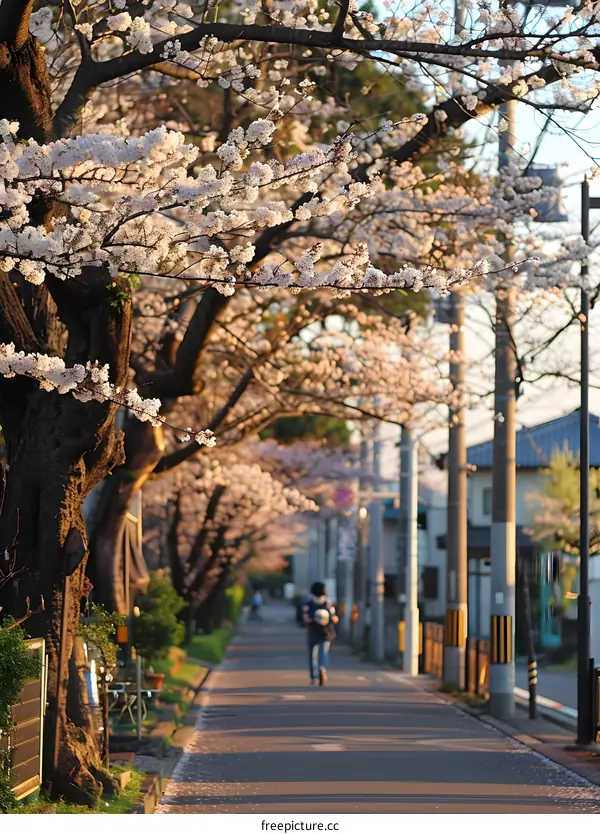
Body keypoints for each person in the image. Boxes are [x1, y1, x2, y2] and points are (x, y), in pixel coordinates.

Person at [302, 581, 338, 686]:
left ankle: (314, 676)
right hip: (326, 631)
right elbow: (334, 618)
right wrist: (332, 619)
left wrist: (309, 620)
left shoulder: (308, 604)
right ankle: (322, 668)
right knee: (323, 652)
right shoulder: (328, 604)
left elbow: (305, 617)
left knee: (313, 654)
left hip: (313, 631)